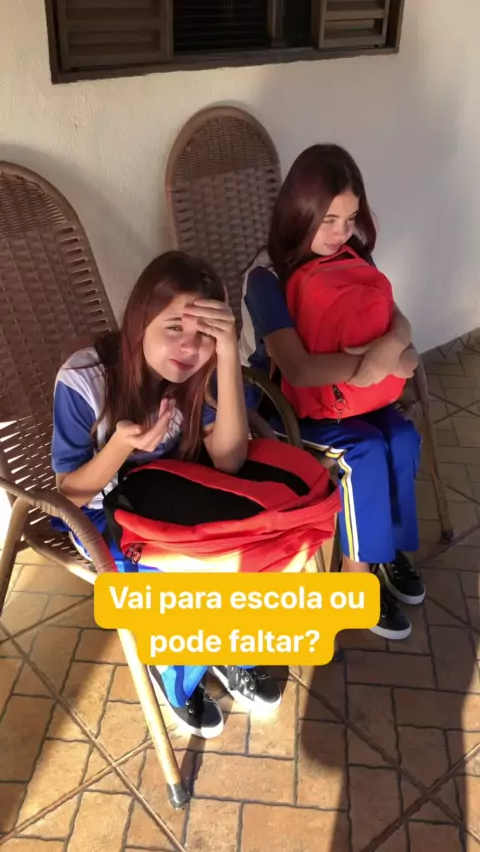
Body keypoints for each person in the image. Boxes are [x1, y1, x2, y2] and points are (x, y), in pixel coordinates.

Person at [51, 250, 281, 739]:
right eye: (174, 327)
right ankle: (177, 674)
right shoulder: (84, 379)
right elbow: (69, 495)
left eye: (204, 334)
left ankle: (226, 644)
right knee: (181, 575)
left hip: (174, 497)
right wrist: (120, 446)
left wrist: (226, 356)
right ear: (141, 320)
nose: (188, 347)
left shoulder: (202, 370)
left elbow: (228, 460)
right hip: (102, 516)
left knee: (242, 549)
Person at [239, 144, 425, 641]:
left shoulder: (352, 254)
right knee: (362, 453)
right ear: (299, 211)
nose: (342, 232)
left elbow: (399, 321)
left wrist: (393, 349)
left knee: (402, 439)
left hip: (356, 399)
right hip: (286, 409)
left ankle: (386, 552)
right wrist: (376, 365)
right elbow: (297, 370)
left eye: (351, 218)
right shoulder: (266, 277)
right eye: (328, 220)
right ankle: (355, 582)